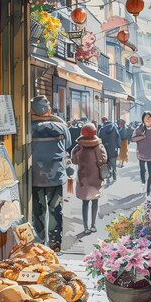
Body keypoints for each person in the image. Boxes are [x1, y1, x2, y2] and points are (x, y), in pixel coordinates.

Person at [31, 95, 72, 251]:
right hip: (56, 175)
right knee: (56, 210)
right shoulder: (61, 127)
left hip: (36, 176)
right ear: (48, 110)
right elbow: (68, 145)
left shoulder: (29, 128)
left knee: (38, 211)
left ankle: (40, 242)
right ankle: (55, 244)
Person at [71, 123, 108, 235]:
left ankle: (85, 227)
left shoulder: (78, 147)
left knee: (85, 203)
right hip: (96, 177)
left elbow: (74, 161)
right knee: (95, 201)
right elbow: (104, 159)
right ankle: (93, 225)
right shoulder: (99, 146)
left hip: (84, 178)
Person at [131, 111, 151, 196]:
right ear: (143, 119)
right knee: (142, 170)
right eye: (146, 117)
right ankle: (143, 183)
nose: (147, 119)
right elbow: (133, 139)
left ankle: (148, 191)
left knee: (150, 173)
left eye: (149, 117)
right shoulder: (139, 128)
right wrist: (142, 136)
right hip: (142, 153)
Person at [98, 117, 121, 183]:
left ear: (103, 122)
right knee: (113, 164)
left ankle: (108, 177)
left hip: (105, 148)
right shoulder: (114, 127)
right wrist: (119, 145)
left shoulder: (101, 129)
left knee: (107, 163)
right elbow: (118, 137)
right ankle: (114, 177)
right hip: (113, 148)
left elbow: (99, 140)